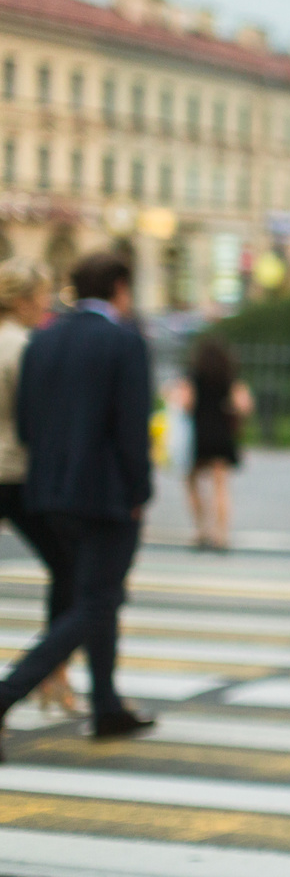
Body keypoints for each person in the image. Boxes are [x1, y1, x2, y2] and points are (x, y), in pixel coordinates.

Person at [0, 252, 155, 760]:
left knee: (95, 593)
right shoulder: (124, 341)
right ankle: (7, 692)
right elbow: (133, 429)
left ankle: (107, 705)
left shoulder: (44, 339)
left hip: (50, 490)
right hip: (107, 494)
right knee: (96, 600)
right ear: (119, 287)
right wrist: (138, 492)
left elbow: (27, 423)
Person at [0, 258, 75, 713]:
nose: (47, 304)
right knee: (69, 569)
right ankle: (53, 672)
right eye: (44, 295)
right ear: (24, 299)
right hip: (17, 474)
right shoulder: (28, 346)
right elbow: (39, 419)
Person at [175, 336, 253, 552]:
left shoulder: (192, 376)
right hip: (222, 434)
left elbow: (184, 403)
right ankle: (222, 535)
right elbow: (244, 405)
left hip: (197, 436)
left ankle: (202, 530)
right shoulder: (229, 378)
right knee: (221, 486)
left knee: (192, 483)